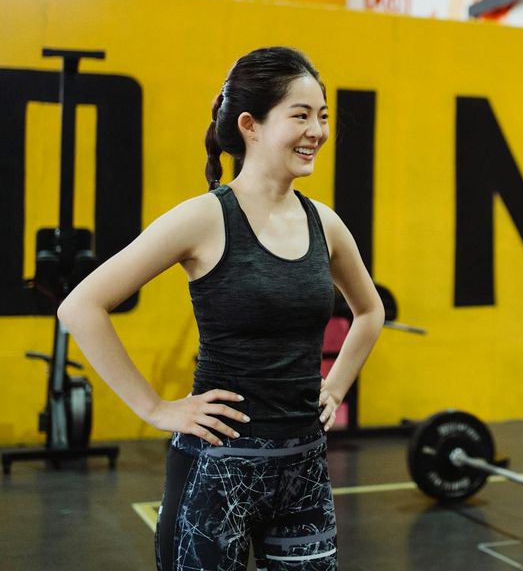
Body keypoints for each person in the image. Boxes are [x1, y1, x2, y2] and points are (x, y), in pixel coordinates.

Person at [58, 47, 384, 571]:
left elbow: (370, 312)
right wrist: (156, 409)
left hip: (303, 471)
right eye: (300, 115)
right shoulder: (205, 218)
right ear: (250, 125)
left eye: (322, 116)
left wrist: (337, 385)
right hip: (216, 473)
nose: (317, 131)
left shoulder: (325, 223)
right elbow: (81, 306)